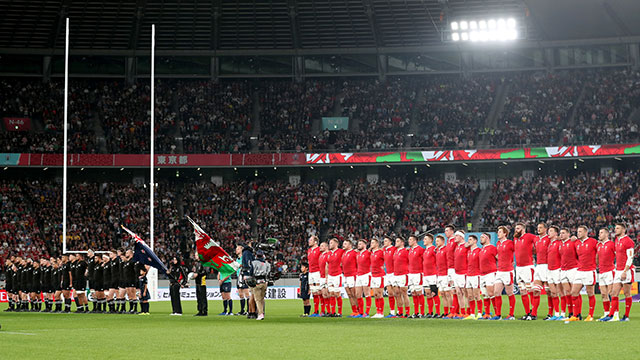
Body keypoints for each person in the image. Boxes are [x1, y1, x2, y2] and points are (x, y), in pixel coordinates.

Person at [601, 223, 635, 322]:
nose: (615, 230)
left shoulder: (628, 241)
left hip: (626, 270)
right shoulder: (616, 240)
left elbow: (630, 257)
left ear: (623, 230)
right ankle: (612, 315)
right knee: (613, 293)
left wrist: (625, 271)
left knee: (627, 293)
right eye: (615, 228)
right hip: (618, 270)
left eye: (617, 228)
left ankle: (626, 316)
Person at [568, 225, 598, 321]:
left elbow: (599, 253)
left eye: (580, 231)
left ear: (586, 232)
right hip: (579, 270)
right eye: (577, 231)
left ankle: (590, 315)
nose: (578, 233)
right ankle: (576, 315)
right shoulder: (576, 243)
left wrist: (596, 264)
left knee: (590, 293)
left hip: (590, 270)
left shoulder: (593, 242)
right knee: (574, 292)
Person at [513, 222, 537, 320]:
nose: (516, 230)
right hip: (518, 268)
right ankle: (527, 313)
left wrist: (533, 254)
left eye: (518, 228)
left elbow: (538, 244)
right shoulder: (515, 239)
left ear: (523, 229)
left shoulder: (529, 236)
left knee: (530, 290)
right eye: (515, 228)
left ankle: (533, 313)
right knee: (522, 291)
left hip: (528, 267)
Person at [494, 226, 516, 320]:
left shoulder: (510, 243)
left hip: (508, 271)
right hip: (500, 271)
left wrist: (512, 261)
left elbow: (517, 251)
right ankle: (498, 315)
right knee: (496, 292)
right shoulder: (498, 243)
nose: (498, 233)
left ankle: (511, 314)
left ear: (505, 234)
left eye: (500, 232)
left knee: (509, 292)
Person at [532, 223, 550, 320]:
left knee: (549, 292)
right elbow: (535, 250)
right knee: (536, 290)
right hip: (538, 266)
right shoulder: (535, 239)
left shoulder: (549, 238)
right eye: (537, 227)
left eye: (540, 228)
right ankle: (534, 314)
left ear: (545, 229)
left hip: (547, 266)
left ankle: (551, 313)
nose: (538, 229)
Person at [478, 233, 499, 320]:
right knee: (485, 294)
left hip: (490, 273)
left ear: (487, 238)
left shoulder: (492, 248)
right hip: (482, 274)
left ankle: (497, 313)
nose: (481, 239)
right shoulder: (481, 250)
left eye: (482, 237)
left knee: (491, 293)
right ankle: (487, 313)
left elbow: (499, 258)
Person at [559, 228, 578, 320]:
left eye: (563, 233)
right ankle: (570, 313)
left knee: (574, 292)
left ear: (568, 234)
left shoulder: (573, 242)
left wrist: (576, 238)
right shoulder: (560, 244)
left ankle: (577, 313)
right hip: (563, 270)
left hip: (572, 269)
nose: (561, 235)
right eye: (560, 233)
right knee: (567, 292)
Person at [596, 228, 615, 319]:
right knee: (603, 294)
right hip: (601, 271)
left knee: (611, 293)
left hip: (610, 271)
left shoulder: (611, 244)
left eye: (601, 232)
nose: (599, 234)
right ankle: (606, 313)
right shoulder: (598, 245)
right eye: (599, 232)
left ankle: (614, 314)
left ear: (606, 234)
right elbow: (597, 257)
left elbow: (618, 254)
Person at [545, 226, 563, 320]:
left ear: (556, 233)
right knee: (553, 292)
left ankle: (563, 313)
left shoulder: (559, 243)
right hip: (550, 270)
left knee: (561, 292)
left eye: (551, 231)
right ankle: (556, 314)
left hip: (557, 269)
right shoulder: (550, 244)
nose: (549, 232)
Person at [422, 234, 440, 318]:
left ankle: (438, 312)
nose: (423, 240)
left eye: (425, 239)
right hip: (425, 275)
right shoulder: (425, 250)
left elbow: (438, 260)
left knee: (434, 293)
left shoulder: (434, 249)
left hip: (432, 274)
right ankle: (430, 312)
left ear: (430, 240)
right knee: (428, 293)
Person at [464, 235, 482, 320]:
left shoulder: (479, 251)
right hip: (469, 275)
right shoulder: (468, 251)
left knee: (476, 295)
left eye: (470, 239)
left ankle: (479, 313)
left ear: (475, 241)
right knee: (470, 296)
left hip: (476, 275)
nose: (468, 241)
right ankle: (472, 314)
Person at [407, 235, 425, 318]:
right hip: (411, 274)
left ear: (415, 241)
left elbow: (424, 261)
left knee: (419, 292)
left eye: (410, 239)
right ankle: (416, 312)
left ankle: (422, 312)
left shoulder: (420, 250)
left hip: (418, 273)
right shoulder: (410, 250)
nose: (409, 241)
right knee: (413, 293)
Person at [453, 230, 469, 319]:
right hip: (457, 273)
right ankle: (462, 312)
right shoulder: (457, 247)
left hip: (464, 272)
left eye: (456, 236)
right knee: (458, 293)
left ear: (461, 237)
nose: (455, 237)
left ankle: (468, 311)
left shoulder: (466, 246)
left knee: (465, 293)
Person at [250, 250, 270, 321]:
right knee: (262, 299)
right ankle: (262, 312)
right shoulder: (267, 263)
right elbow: (268, 273)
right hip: (264, 282)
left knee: (258, 300)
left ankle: (260, 314)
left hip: (257, 282)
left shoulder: (254, 263)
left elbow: (251, 273)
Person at [326, 238, 344, 317]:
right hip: (330, 275)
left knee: (337, 293)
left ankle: (339, 312)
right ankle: (332, 312)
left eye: (331, 243)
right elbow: (327, 265)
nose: (330, 244)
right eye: (329, 243)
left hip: (337, 275)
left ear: (336, 244)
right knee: (331, 294)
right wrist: (326, 276)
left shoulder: (340, 251)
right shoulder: (328, 253)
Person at [444, 225, 459, 317]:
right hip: (449, 268)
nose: (446, 232)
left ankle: (455, 311)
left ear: (452, 231)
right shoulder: (449, 241)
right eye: (445, 231)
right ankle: (453, 311)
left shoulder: (454, 241)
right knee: (451, 290)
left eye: (447, 230)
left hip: (454, 268)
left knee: (455, 290)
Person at [369, 238, 386, 318]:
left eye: (373, 243)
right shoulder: (371, 253)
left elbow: (387, 258)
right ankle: (377, 311)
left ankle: (381, 312)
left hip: (380, 275)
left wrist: (384, 266)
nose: (371, 244)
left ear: (377, 244)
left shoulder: (381, 252)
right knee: (375, 294)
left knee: (379, 294)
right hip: (373, 275)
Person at [341, 240, 358, 317]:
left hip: (352, 275)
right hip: (345, 276)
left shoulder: (354, 253)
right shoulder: (343, 254)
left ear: (350, 245)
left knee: (354, 294)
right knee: (349, 294)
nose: (343, 245)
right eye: (343, 243)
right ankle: (354, 311)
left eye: (345, 244)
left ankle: (359, 311)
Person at [435, 235, 451, 318]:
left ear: (442, 241)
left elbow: (448, 262)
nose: (436, 243)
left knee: (448, 293)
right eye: (436, 241)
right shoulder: (438, 250)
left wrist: (449, 275)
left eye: (438, 241)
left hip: (445, 274)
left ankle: (451, 311)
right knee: (443, 294)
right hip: (439, 274)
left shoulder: (445, 249)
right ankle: (445, 312)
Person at [393, 237, 409, 318]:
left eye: (398, 241)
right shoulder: (395, 252)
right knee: (397, 293)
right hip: (396, 275)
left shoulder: (406, 251)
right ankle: (400, 312)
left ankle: (407, 313)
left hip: (403, 274)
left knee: (404, 293)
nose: (396, 242)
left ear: (402, 243)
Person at [306, 236, 322, 317]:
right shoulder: (309, 250)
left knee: (320, 291)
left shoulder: (319, 249)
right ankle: (316, 311)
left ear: (315, 242)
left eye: (311, 240)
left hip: (317, 272)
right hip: (311, 272)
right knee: (314, 292)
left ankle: (322, 310)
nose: (309, 241)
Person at [355, 239, 372, 317]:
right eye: (358, 244)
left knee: (367, 293)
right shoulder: (357, 254)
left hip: (366, 274)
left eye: (360, 244)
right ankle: (361, 312)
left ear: (365, 245)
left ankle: (367, 312)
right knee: (358, 294)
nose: (358, 245)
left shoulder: (368, 253)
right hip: (359, 275)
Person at [241, 242, 257, 319]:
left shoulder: (245, 252)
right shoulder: (248, 252)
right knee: (253, 295)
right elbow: (249, 263)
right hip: (249, 275)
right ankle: (252, 312)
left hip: (246, 274)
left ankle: (250, 312)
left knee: (251, 295)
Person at [382, 236, 398, 317]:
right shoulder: (384, 250)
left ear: (390, 242)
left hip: (394, 273)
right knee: (390, 293)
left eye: (386, 241)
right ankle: (392, 312)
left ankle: (399, 311)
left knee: (396, 293)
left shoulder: (394, 249)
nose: (384, 242)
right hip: (387, 274)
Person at [235, 245, 250, 316]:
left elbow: (245, 265)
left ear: (241, 250)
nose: (236, 250)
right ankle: (242, 310)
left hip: (244, 276)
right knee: (241, 294)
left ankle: (249, 310)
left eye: (238, 249)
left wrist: (238, 265)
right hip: (238, 277)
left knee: (247, 293)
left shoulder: (244, 257)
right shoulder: (237, 259)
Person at [123, 249, 139, 314]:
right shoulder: (126, 262)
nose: (126, 254)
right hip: (127, 280)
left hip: (132, 279)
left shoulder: (133, 261)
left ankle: (135, 309)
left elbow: (136, 271)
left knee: (133, 294)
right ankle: (131, 308)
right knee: (129, 294)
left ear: (131, 254)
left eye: (127, 253)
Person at [317, 242, 330, 316]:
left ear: (326, 247)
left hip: (326, 277)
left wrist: (327, 276)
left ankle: (330, 311)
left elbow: (328, 266)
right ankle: (324, 311)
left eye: (322, 246)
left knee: (328, 294)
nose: (320, 247)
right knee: (323, 294)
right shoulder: (321, 255)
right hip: (321, 277)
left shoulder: (328, 254)